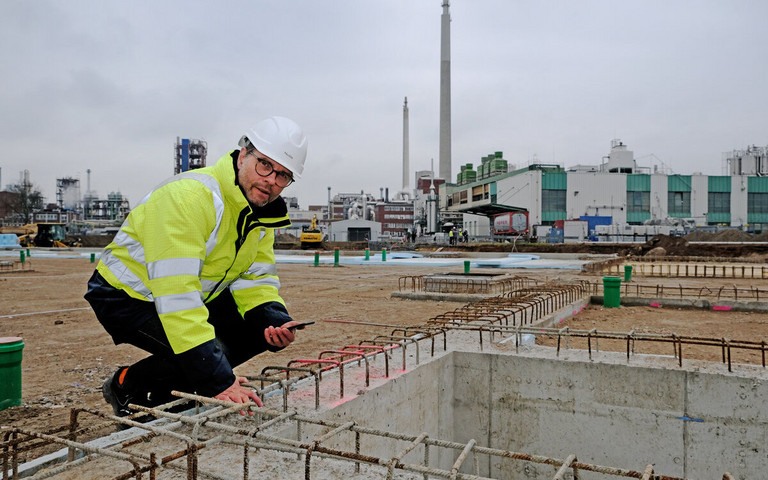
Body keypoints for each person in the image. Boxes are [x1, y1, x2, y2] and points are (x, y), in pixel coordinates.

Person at [85, 116, 308, 418]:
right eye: (265, 165)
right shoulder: (190, 198)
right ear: (243, 155)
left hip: (184, 296)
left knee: (250, 333)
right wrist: (218, 380)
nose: (271, 180)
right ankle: (125, 386)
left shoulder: (260, 216)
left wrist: (273, 320)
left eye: (283, 175)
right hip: (126, 295)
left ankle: (178, 390)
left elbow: (255, 277)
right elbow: (178, 296)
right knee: (210, 353)